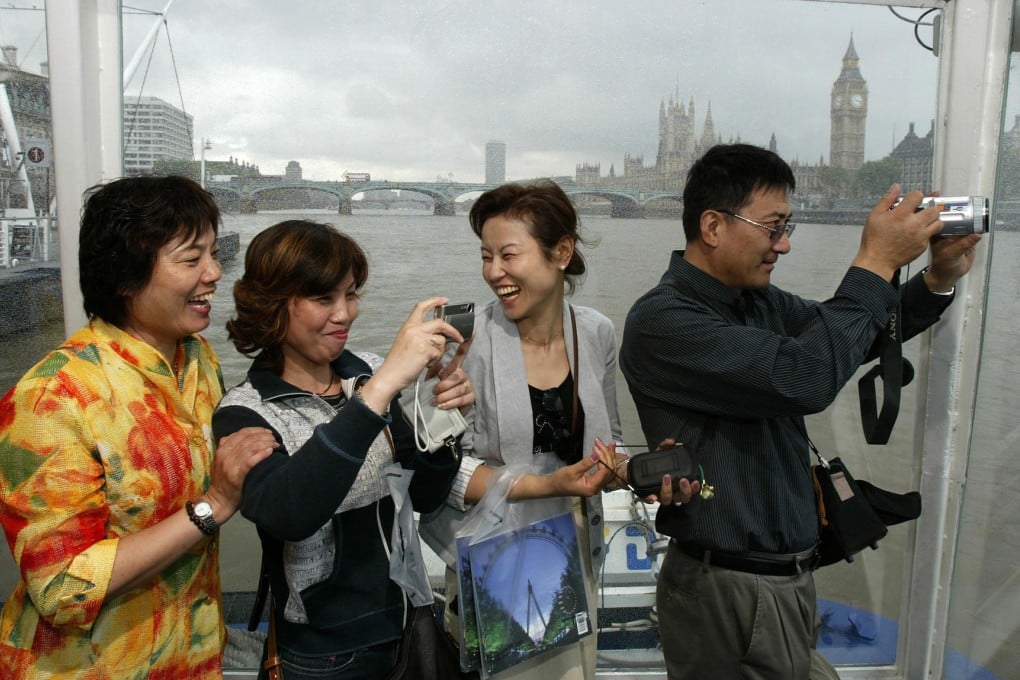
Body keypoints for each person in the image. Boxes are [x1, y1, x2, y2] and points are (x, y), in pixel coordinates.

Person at [619, 143, 983, 680]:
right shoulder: (664, 321)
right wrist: (877, 260)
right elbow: (808, 377)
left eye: (789, 226)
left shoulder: (760, 302)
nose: (784, 245)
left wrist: (935, 280)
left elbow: (849, 340)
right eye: (772, 227)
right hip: (730, 589)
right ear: (713, 226)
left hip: (783, 582)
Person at [0, 176, 277, 678]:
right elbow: (61, 589)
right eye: (191, 260)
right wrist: (211, 507)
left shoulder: (196, 359)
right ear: (125, 277)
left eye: (212, 254)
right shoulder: (54, 397)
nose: (214, 273)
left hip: (191, 655)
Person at [211, 220, 474, 679]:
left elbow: (427, 495)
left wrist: (441, 419)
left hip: (405, 622)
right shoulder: (245, 411)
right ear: (273, 305)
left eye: (350, 294)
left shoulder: (366, 371)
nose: (345, 313)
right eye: (323, 298)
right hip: (323, 655)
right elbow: (291, 511)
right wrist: (383, 388)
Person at [420, 180, 635, 680]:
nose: (494, 272)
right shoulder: (467, 341)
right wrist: (548, 484)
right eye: (486, 256)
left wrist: (632, 471)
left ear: (561, 252)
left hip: (575, 549)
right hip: (496, 555)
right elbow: (445, 475)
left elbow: (611, 440)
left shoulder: (597, 332)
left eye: (508, 255)